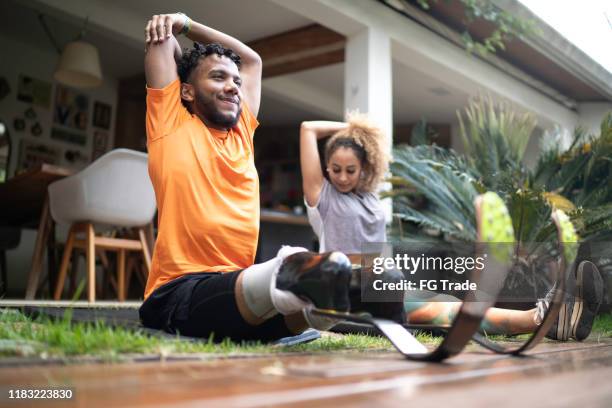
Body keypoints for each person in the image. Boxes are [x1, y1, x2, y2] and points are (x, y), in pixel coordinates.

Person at [139, 12, 352, 342]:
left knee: (324, 302)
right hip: (178, 293)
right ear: (187, 93)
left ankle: (312, 294)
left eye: (236, 82)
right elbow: (163, 39)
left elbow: (252, 61)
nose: (233, 87)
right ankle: (294, 275)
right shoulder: (170, 122)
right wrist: (178, 27)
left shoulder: (241, 133)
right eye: (218, 77)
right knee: (295, 284)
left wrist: (189, 25)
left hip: (239, 293)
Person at [299, 116, 603, 340]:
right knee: (433, 312)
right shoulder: (322, 197)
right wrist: (352, 130)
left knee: (447, 303)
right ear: (326, 168)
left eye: (350, 170)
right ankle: (541, 319)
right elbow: (307, 129)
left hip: (380, 284)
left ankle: (550, 320)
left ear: (364, 168)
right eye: (335, 169)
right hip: (345, 291)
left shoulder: (369, 198)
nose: (341, 177)